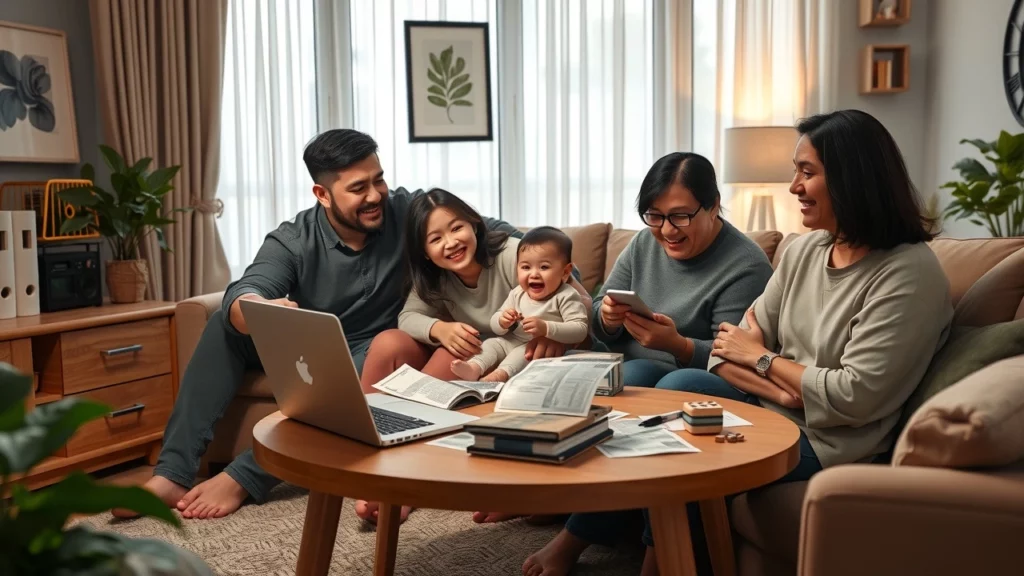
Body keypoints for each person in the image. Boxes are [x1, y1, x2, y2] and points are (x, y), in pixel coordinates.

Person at [115, 128, 534, 521]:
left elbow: (491, 233)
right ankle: (172, 475)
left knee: (362, 360)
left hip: (385, 347)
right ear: (322, 194)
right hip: (316, 345)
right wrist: (259, 308)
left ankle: (245, 477)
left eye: (379, 179)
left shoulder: (407, 211)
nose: (376, 195)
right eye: (358, 188)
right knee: (224, 327)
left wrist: (548, 277)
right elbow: (246, 291)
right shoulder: (294, 240)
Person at [523, 151, 773, 576]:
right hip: (640, 371)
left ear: (713, 206)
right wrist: (606, 317)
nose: (665, 231)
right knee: (631, 377)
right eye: (653, 216)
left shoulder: (746, 264)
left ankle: (654, 551)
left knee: (668, 384)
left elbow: (732, 355)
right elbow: (603, 308)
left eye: (679, 217)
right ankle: (579, 524)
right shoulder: (644, 243)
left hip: (709, 382)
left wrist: (675, 343)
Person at [357, 190, 593, 525]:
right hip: (481, 355)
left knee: (443, 360)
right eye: (435, 238)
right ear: (424, 252)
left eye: (456, 228)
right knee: (388, 344)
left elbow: (578, 298)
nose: (450, 242)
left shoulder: (513, 254)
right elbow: (407, 318)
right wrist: (440, 328)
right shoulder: (435, 276)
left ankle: (406, 484)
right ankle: (369, 466)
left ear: (474, 224)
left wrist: (555, 335)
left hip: (523, 353)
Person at [450, 226, 590, 382]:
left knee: (523, 353)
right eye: (525, 267)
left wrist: (546, 328)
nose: (534, 274)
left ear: (565, 272)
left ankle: (499, 376)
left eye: (544, 267)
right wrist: (503, 321)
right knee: (492, 344)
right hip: (513, 340)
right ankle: (474, 367)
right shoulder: (518, 293)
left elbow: (580, 329)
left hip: (539, 348)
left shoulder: (566, 296)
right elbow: (494, 322)